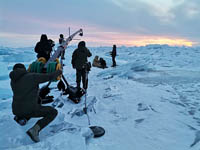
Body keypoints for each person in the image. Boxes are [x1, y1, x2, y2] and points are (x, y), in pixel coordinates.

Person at [9, 63, 62, 143]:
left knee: (38, 100)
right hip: (28, 109)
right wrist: (59, 71)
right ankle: (34, 130)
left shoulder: (13, 81)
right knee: (53, 112)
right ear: (24, 69)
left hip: (16, 110)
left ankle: (20, 118)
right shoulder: (31, 77)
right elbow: (49, 77)